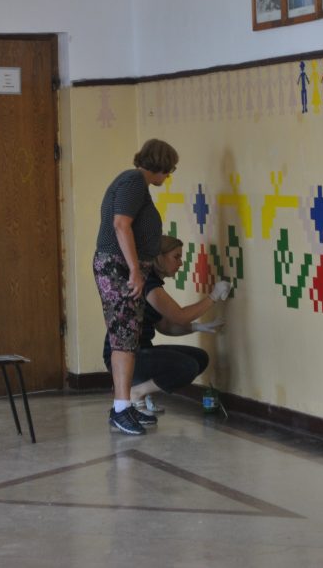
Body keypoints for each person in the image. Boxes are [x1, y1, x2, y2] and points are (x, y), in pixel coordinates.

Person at [94, 139, 179, 435]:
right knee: (124, 339)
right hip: (118, 268)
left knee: (127, 339)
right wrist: (133, 269)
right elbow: (121, 224)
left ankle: (124, 406)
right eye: (170, 169)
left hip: (122, 267)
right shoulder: (133, 181)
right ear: (160, 164)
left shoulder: (135, 183)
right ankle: (121, 409)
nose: (169, 175)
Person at [103, 235, 231, 415]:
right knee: (187, 366)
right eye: (176, 257)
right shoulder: (148, 283)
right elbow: (180, 316)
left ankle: (139, 392)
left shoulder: (151, 281)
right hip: (125, 356)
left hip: (141, 351)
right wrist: (213, 296)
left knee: (200, 358)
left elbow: (165, 326)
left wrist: (196, 327)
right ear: (159, 258)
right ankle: (136, 393)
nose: (181, 263)